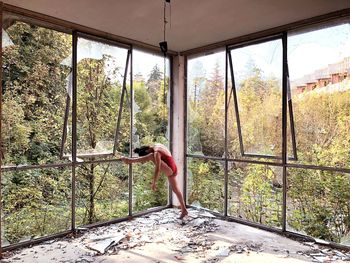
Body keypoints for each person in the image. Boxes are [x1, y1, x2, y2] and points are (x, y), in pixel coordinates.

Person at [120, 143, 188, 219]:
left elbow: (158, 168)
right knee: (176, 190)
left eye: (147, 154)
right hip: (173, 168)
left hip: (170, 170)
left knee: (151, 156)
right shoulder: (157, 145)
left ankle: (129, 161)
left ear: (147, 150)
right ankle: (184, 210)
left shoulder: (155, 153)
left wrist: (154, 182)